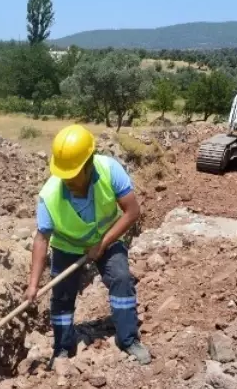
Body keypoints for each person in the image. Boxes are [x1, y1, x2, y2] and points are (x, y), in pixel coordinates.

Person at [25, 124, 151, 366]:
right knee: (61, 295)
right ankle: (62, 348)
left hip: (108, 236)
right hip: (67, 247)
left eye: (73, 174)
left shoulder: (110, 170)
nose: (67, 180)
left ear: (89, 164)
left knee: (121, 278)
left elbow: (132, 211)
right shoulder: (49, 195)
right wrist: (33, 285)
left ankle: (128, 339)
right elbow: (42, 239)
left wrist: (103, 243)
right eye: (63, 174)